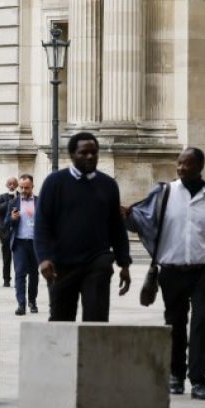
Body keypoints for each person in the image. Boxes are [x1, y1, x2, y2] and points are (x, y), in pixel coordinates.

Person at [126, 147, 205, 400]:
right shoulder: (165, 193)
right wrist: (128, 217)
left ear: (200, 166)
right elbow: (143, 220)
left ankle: (199, 380)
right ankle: (175, 375)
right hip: (172, 270)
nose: (181, 168)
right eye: (179, 163)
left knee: (201, 323)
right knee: (175, 324)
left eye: (186, 164)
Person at [34, 131, 131, 322]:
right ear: (72, 155)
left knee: (96, 322)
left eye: (94, 152)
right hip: (61, 265)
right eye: (84, 152)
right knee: (61, 321)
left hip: (97, 263)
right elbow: (42, 224)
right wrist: (43, 258)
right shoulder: (55, 183)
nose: (90, 156)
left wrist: (124, 262)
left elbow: (117, 227)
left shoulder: (108, 185)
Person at [7, 174, 39, 316]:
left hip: (35, 243)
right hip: (19, 243)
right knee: (20, 274)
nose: (24, 190)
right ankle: (21, 304)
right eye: (22, 187)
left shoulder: (40, 202)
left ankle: (32, 301)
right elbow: (5, 223)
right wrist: (12, 219)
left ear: (32, 186)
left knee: (34, 274)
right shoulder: (13, 203)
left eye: (27, 187)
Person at [0, 177, 19, 287]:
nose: (12, 185)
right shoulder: (2, 197)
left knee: (19, 257)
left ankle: (19, 279)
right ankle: (6, 279)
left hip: (18, 231)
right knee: (6, 257)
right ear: (6, 185)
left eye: (14, 183)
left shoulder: (21, 196)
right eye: (10, 183)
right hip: (5, 232)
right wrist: (9, 202)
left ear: (17, 185)